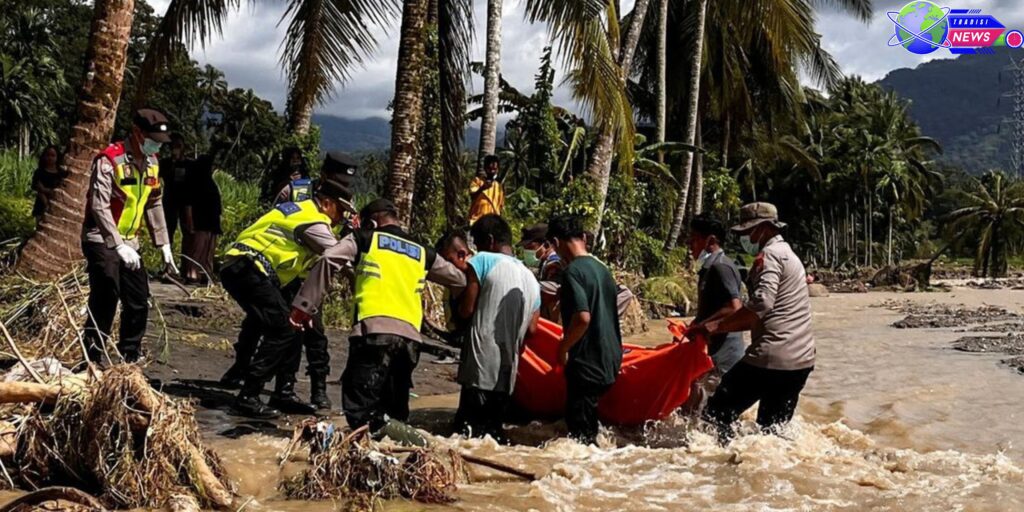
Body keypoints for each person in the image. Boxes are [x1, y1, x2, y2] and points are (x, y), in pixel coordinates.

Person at [289, 199, 466, 434]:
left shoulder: (365, 238)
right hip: (410, 342)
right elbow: (460, 280)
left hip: (373, 334)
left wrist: (304, 306)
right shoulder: (422, 251)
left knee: (360, 412)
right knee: (395, 412)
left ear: (371, 222)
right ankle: (403, 456)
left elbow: (328, 258)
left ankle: (412, 444)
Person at [221, 178, 356, 418]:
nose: (343, 218)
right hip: (249, 268)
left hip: (249, 268)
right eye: (342, 211)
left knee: (295, 325)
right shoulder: (314, 221)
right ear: (326, 204)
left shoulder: (300, 209)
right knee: (282, 329)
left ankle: (283, 393)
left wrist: (305, 305)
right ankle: (249, 395)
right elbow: (340, 259)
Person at [690, 202, 815, 442]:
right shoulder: (790, 255)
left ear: (764, 228)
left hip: (771, 357)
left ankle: (720, 469)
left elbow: (761, 303)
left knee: (715, 415)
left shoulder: (769, 257)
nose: (746, 238)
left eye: (748, 232)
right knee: (772, 433)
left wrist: (716, 326)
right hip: (801, 360)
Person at [81, 109, 177, 364]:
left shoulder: (152, 163)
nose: (156, 145)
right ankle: (91, 358)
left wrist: (164, 243)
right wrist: (117, 245)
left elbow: (154, 203)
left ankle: (129, 359)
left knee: (138, 301)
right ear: (137, 132)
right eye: (153, 139)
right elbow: (99, 207)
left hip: (131, 242)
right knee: (106, 295)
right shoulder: (109, 160)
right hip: (101, 238)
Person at [452, 215, 540, 440]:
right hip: (508, 371)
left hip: (480, 366)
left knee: (465, 436)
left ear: (489, 241)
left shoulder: (482, 260)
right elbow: (532, 330)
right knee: (492, 437)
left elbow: (467, 309)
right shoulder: (531, 277)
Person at [546, 215, 622, 445]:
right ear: (583, 238)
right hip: (610, 360)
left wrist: (563, 347)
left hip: (587, 363)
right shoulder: (603, 269)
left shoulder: (572, 272)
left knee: (581, 440)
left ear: (555, 243)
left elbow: (582, 318)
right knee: (590, 429)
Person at [688, 214, 745, 374]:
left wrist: (701, 326)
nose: (689, 244)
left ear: (710, 241)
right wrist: (696, 323)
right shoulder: (710, 268)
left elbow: (734, 308)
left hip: (723, 359)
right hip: (714, 355)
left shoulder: (720, 267)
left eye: (694, 238)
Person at [181, 155, 221, 284]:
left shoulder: (210, 183)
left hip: (211, 222)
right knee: (197, 250)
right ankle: (192, 273)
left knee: (208, 252)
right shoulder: (194, 183)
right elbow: (188, 205)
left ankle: (206, 274)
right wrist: (190, 223)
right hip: (200, 222)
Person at [275, 151, 359, 205]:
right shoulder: (295, 190)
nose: (342, 187)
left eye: (346, 183)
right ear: (323, 174)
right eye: (338, 182)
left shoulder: (347, 202)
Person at [160, 133, 193, 245]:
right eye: (173, 146)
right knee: (168, 232)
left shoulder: (190, 165)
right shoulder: (165, 163)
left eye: (178, 146)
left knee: (188, 232)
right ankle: (167, 258)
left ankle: (187, 259)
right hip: (169, 202)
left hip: (186, 203)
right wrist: (173, 162)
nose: (176, 149)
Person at [31, 145, 68, 224]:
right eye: (48, 155)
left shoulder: (62, 174)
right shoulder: (39, 172)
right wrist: (46, 204)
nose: (50, 158)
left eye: (53, 155)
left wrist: (45, 190)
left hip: (58, 206)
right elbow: (38, 189)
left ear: (57, 157)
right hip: (41, 206)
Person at [467, 155, 505, 225]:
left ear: (498, 170)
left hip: (493, 222)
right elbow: (472, 196)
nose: (492, 171)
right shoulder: (477, 181)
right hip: (477, 220)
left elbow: (500, 207)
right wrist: (483, 188)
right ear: (485, 168)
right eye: (489, 169)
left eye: (494, 169)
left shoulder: (499, 186)